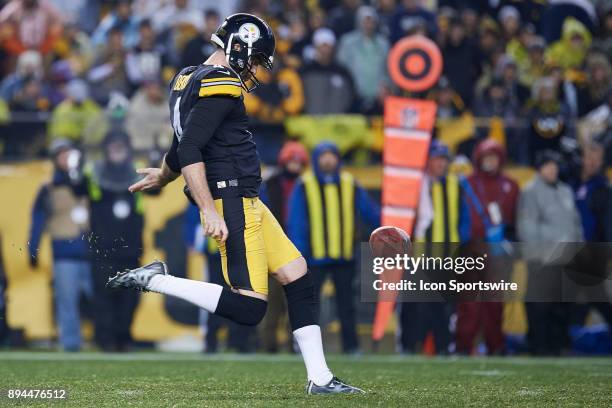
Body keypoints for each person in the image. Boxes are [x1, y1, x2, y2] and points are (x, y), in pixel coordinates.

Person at [106, 13, 362, 394]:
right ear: (239, 48)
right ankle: (156, 279)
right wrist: (209, 209)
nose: (258, 69)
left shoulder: (188, 76)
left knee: (298, 276)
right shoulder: (222, 82)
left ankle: (320, 377)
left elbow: (182, 143)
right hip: (230, 197)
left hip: (244, 196)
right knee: (251, 308)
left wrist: (164, 174)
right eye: (257, 59)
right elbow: (192, 146)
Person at [287, 141, 380, 354]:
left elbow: (370, 212)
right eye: (324, 155)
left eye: (332, 155)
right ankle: (302, 346)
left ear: (338, 159)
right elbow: (297, 221)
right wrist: (298, 253)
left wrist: (387, 227)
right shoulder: (305, 184)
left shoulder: (350, 184)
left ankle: (351, 346)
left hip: (344, 256)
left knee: (346, 305)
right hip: (314, 257)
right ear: (316, 159)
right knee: (310, 304)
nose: (328, 159)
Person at [400, 140, 470, 354]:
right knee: (413, 303)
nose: (440, 164)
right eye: (436, 159)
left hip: (446, 255)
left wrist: (461, 242)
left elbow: (465, 218)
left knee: (443, 305)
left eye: (443, 159)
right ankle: (408, 345)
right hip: (418, 253)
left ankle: (442, 347)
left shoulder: (456, 185)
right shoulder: (416, 185)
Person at [456, 139, 519, 355]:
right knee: (469, 303)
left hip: (498, 252)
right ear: (478, 159)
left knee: (494, 303)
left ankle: (496, 347)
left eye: (494, 157)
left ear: (500, 159)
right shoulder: (465, 183)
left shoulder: (511, 186)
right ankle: (463, 347)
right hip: (471, 249)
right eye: (485, 157)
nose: (489, 161)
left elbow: (515, 220)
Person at [28, 139, 92, 351]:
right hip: (64, 250)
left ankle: (105, 338)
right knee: (67, 301)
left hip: (91, 250)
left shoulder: (87, 181)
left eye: (69, 154)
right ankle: (71, 343)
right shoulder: (48, 187)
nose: (66, 159)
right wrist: (33, 247)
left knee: (100, 298)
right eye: (61, 155)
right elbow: (38, 218)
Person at [517, 150, 583, 355]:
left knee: (562, 306)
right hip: (543, 259)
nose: (553, 169)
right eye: (548, 165)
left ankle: (558, 345)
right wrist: (538, 256)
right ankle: (539, 345)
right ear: (539, 168)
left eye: (555, 166)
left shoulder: (565, 190)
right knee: (539, 306)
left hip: (566, 259)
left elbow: (575, 223)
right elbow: (527, 226)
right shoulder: (531, 191)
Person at [87, 130, 143, 352]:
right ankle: (105, 340)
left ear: (128, 149)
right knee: (103, 296)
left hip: (130, 249)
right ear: (105, 149)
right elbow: (75, 185)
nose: (116, 149)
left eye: (121, 145)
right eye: (112, 145)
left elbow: (156, 192)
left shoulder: (136, 173)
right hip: (103, 250)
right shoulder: (94, 173)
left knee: (130, 298)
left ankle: (124, 338)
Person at [259, 141, 309, 353]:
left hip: (298, 250)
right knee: (271, 301)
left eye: (298, 161)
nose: (295, 165)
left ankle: (293, 345)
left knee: (295, 303)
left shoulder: (307, 186)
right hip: (273, 249)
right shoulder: (269, 184)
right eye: (292, 160)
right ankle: (267, 344)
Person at [336, 5, 389, 114]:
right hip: (353, 97)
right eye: (365, 21)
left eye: (371, 21)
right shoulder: (347, 42)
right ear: (359, 21)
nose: (368, 25)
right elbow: (341, 69)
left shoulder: (383, 44)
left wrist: (386, 86)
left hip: (377, 98)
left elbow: (388, 69)